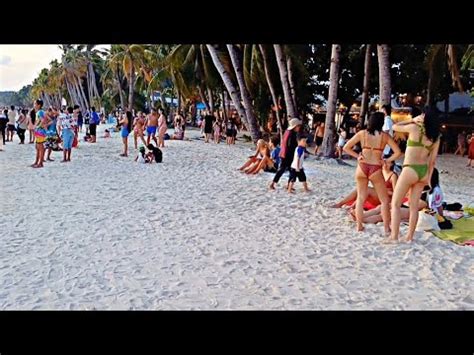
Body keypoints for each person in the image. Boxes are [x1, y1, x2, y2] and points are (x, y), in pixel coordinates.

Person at [387, 106, 440, 244]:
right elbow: (432, 161)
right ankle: (409, 237)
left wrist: (412, 120)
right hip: (423, 172)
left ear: (424, 117)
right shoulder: (435, 138)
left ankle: (394, 236)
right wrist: (428, 178)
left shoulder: (414, 128)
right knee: (414, 206)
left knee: (396, 204)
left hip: (410, 168)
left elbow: (395, 126)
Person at [343, 112, 402, 234]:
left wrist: (357, 156)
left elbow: (346, 147)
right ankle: (386, 227)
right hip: (375, 167)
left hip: (362, 167)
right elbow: (398, 152)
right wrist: (386, 160)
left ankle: (359, 225)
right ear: (381, 123)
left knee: (360, 198)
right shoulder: (384, 136)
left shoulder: (362, 134)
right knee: (384, 201)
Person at [331, 160, 399, 209]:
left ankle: (353, 206)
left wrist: (386, 191)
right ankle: (340, 204)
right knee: (360, 189)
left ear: (392, 164)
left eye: (388, 162)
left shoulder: (393, 176)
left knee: (367, 190)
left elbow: (397, 193)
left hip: (386, 198)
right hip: (377, 194)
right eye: (384, 162)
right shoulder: (380, 172)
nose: (385, 164)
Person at [269, 118, 302, 190]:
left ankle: (276, 184)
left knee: (283, 170)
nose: (299, 127)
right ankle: (287, 185)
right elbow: (290, 146)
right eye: (298, 126)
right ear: (295, 126)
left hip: (284, 154)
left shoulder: (288, 131)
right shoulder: (292, 134)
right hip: (288, 155)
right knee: (290, 170)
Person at [31, 99, 51, 168]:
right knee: (38, 147)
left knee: (40, 148)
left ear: (39, 105)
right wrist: (45, 125)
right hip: (40, 131)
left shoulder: (39, 112)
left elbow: (42, 120)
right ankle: (37, 162)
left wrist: (37, 126)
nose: (34, 105)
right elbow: (49, 120)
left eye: (35, 104)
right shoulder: (42, 112)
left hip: (40, 132)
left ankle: (40, 163)